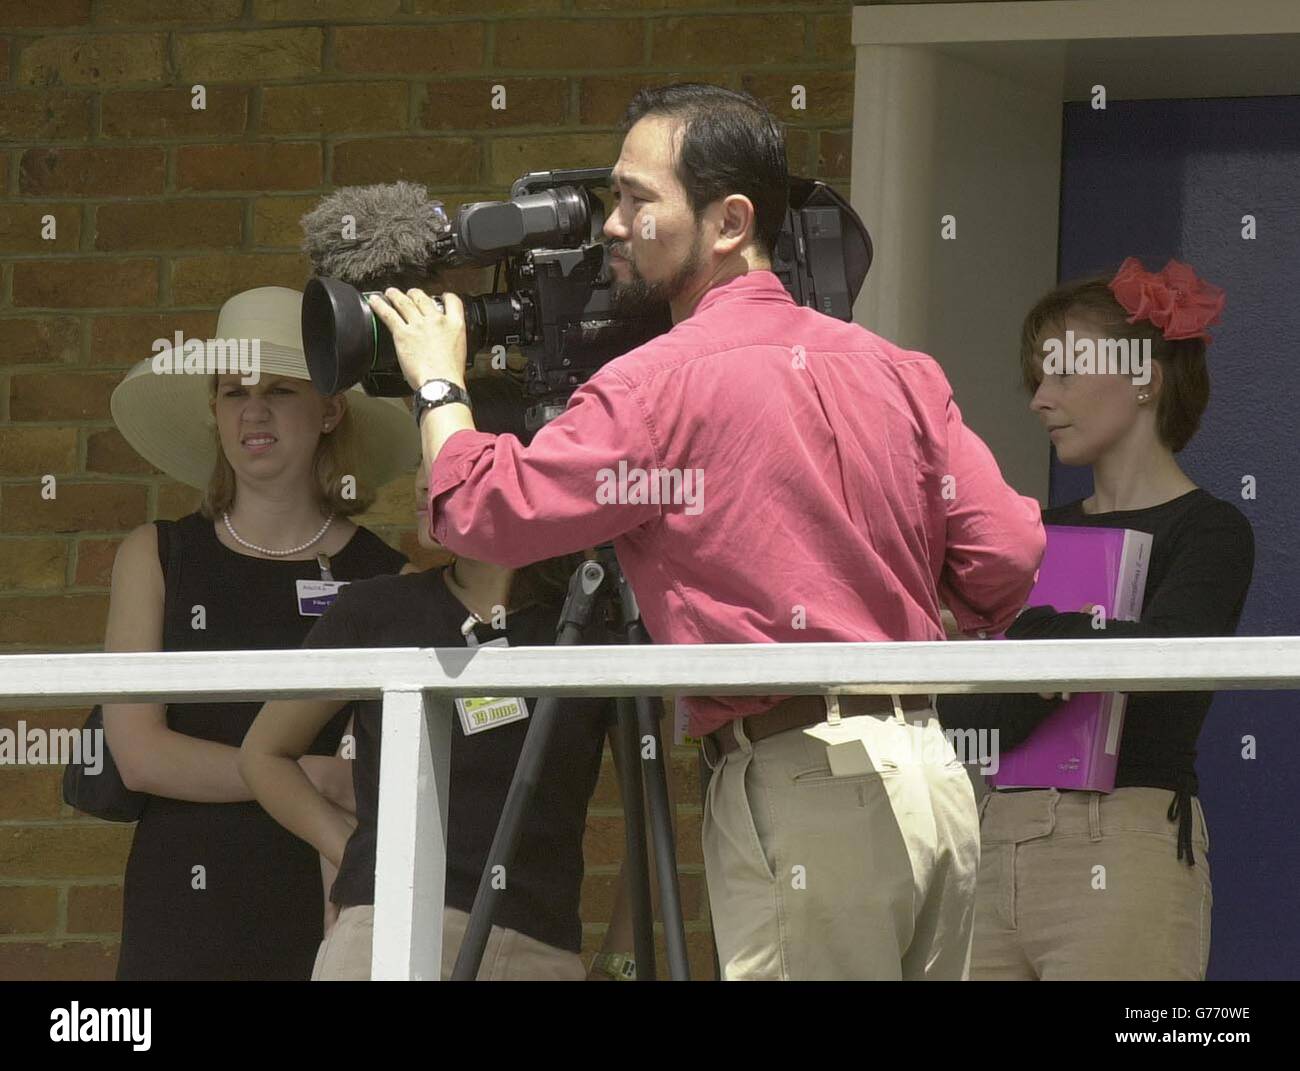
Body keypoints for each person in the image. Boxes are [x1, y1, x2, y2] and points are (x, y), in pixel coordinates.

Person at [363, 83, 1045, 980]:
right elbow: (1009, 552)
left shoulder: (659, 382)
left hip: (802, 787)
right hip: (934, 781)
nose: (612, 224)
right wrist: (902, 618)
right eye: (613, 197)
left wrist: (439, 382)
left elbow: (481, 511)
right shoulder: (898, 367)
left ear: (728, 222)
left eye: (638, 200)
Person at [240, 373, 629, 980]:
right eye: (424, 459)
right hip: (385, 934)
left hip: (536, 948)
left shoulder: (591, 623)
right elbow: (263, 754)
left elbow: (646, 817)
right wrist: (363, 862)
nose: (424, 480)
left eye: (442, 457)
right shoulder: (376, 609)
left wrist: (621, 961)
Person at [940, 257, 1253, 980]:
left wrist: (1034, 643)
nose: (1041, 399)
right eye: (1039, 379)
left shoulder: (1210, 529)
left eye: (1065, 372)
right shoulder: (1032, 531)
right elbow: (968, 719)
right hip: (995, 837)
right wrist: (1063, 655)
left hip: (1123, 835)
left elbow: (1165, 660)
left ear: (1145, 376)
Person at [102, 286, 418, 980]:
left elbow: (391, 774)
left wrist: (309, 785)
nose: (253, 410)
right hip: (182, 906)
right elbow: (140, 755)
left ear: (330, 408)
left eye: (279, 389)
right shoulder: (157, 555)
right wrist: (296, 773)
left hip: (326, 893)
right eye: (233, 391)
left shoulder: (386, 575)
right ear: (213, 412)